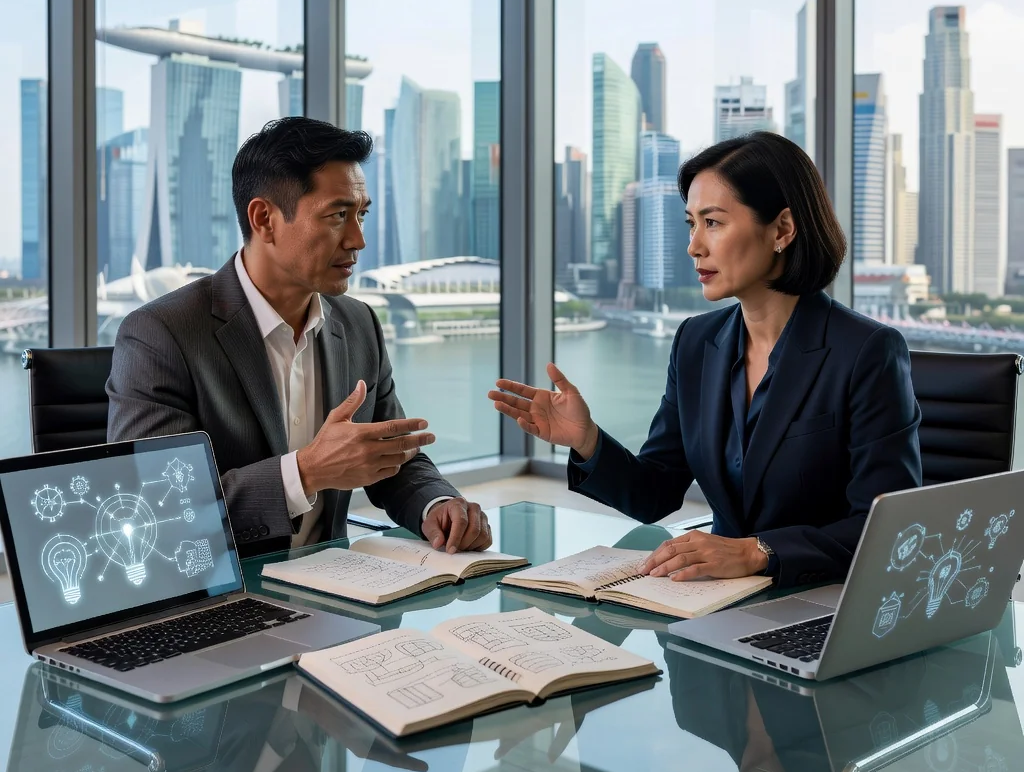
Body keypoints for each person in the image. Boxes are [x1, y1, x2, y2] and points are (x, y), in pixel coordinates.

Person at [490, 131, 921, 590]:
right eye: (691, 224)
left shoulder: (866, 351)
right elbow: (655, 493)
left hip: (823, 600)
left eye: (712, 222)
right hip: (714, 599)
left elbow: (889, 530)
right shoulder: (696, 342)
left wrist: (757, 551)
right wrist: (587, 440)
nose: (694, 246)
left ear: (782, 230)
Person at [107, 116, 490, 558]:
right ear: (264, 219)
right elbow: (157, 511)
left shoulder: (359, 324)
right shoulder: (161, 334)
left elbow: (390, 457)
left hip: (337, 586)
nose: (358, 240)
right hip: (223, 589)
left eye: (361, 215)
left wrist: (437, 504)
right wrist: (305, 473)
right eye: (338, 215)